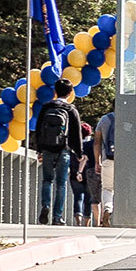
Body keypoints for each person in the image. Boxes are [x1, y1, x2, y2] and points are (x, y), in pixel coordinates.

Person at [31, 79, 84, 225]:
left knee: (47, 180)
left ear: (55, 91)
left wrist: (39, 149)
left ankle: (45, 206)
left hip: (48, 148)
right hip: (63, 150)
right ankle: (57, 217)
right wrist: (79, 154)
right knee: (61, 183)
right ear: (70, 93)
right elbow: (76, 133)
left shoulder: (46, 107)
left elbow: (38, 129)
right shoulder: (71, 110)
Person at [91, 112, 115, 227]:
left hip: (108, 159)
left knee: (107, 188)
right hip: (127, 163)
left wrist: (97, 161)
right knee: (125, 189)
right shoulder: (131, 119)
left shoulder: (105, 119)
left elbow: (96, 142)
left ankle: (108, 209)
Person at [73, 123, 95, 226]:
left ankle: (78, 219)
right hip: (89, 172)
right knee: (88, 199)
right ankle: (87, 222)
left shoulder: (73, 145)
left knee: (78, 197)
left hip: (75, 173)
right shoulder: (91, 144)